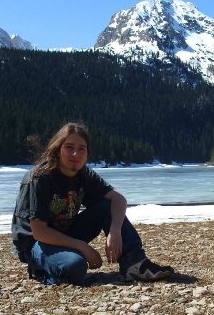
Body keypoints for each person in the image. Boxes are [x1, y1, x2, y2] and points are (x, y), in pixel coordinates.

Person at [11, 122, 174, 285]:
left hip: (66, 233)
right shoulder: (40, 178)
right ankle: (42, 270)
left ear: (87, 153)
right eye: (69, 147)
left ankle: (135, 264)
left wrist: (115, 231)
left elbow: (118, 199)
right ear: (58, 149)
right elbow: (39, 232)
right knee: (75, 267)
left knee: (106, 206)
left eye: (82, 149)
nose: (75, 153)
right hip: (37, 243)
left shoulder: (83, 174)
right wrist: (82, 246)